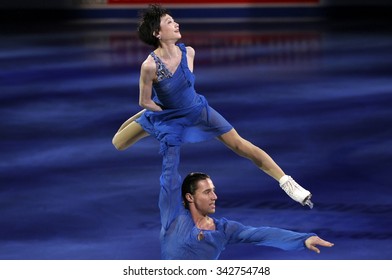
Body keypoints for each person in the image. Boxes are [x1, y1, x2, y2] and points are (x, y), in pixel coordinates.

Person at [112, 4, 313, 208]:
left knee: (239, 144)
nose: (176, 24)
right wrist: (157, 112)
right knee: (118, 143)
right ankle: (144, 119)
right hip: (165, 115)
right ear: (157, 33)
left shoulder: (189, 52)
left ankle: (287, 183)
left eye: (174, 20)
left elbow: (185, 87)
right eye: (169, 22)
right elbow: (144, 101)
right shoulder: (149, 65)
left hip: (198, 111)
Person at [159, 145, 333, 259]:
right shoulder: (173, 217)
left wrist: (304, 239)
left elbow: (262, 234)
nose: (214, 197)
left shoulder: (224, 230)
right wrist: (170, 139)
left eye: (213, 191)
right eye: (207, 192)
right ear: (190, 197)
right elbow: (169, 176)